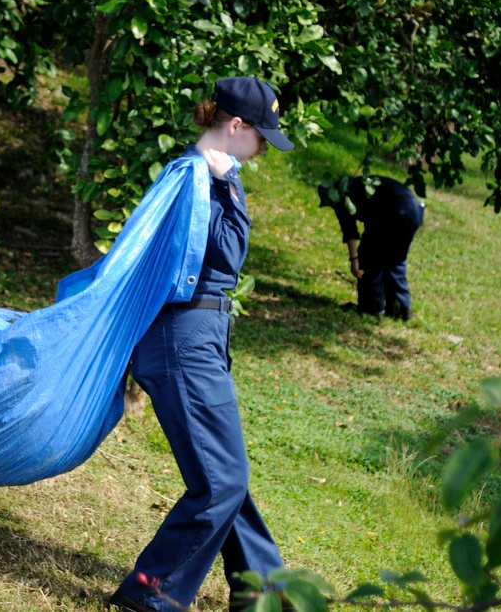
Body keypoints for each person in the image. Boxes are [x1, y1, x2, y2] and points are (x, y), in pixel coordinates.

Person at [108, 77, 294, 612]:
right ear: (236, 127)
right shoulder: (196, 180)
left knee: (226, 473)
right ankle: (152, 591)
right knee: (221, 481)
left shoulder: (202, 177)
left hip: (198, 339)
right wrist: (229, 185)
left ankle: (265, 593)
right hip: (182, 341)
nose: (262, 150)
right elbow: (228, 255)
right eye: (262, 137)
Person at [317, 176, 424, 320]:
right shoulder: (361, 183)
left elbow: (350, 230)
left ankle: (371, 309)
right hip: (413, 210)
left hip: (392, 212)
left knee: (369, 259)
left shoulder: (342, 198)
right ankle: (400, 309)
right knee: (395, 260)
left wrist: (355, 260)